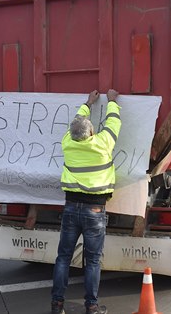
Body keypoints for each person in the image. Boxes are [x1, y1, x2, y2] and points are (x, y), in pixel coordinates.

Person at [51, 89, 121, 314]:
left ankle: (57, 305)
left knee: (63, 257)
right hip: (94, 210)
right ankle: (91, 307)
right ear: (91, 131)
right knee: (92, 261)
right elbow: (113, 122)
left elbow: (75, 123)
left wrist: (87, 104)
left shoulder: (67, 144)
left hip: (71, 208)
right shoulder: (102, 144)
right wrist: (111, 101)